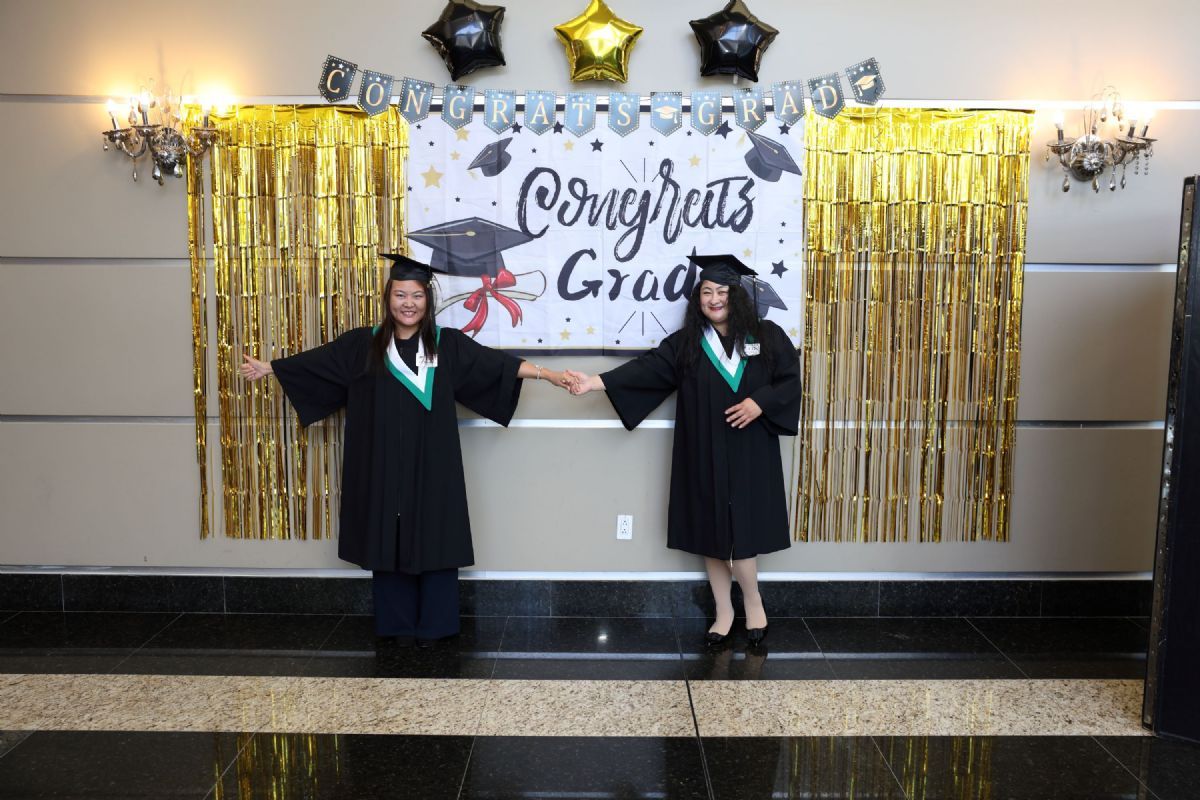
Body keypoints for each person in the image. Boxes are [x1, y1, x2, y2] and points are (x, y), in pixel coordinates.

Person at [240, 253, 573, 646]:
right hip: (379, 463)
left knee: (437, 533)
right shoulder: (363, 345)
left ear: (428, 300)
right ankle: (396, 624)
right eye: (400, 294)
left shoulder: (446, 344)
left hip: (434, 464)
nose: (408, 303)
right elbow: (319, 363)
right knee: (386, 534)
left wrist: (549, 375)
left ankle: (436, 624)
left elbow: (496, 365)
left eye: (417, 295)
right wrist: (271, 367)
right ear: (388, 298)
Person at [567, 254, 801, 647]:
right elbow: (646, 369)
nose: (714, 299)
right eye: (707, 292)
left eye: (722, 291)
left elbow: (790, 380)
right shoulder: (688, 344)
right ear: (698, 299)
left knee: (743, 532)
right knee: (710, 532)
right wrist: (594, 382)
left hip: (751, 450)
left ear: (736, 296)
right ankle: (724, 611)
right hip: (702, 449)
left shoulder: (766, 335)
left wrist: (759, 402)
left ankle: (753, 602)